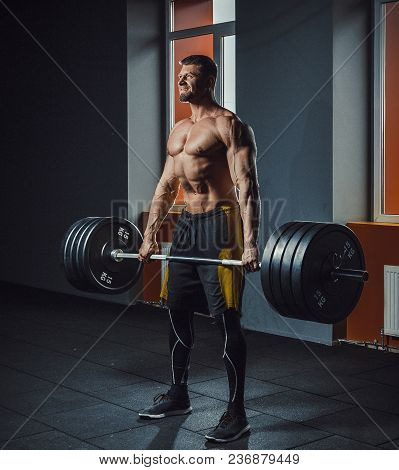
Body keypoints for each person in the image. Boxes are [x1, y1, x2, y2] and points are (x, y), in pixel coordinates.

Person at [137, 55, 260, 443]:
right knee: (175, 307)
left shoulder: (229, 125)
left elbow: (247, 186)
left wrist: (252, 241)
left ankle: (236, 412)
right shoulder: (179, 131)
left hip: (222, 225)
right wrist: (150, 233)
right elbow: (165, 186)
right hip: (187, 225)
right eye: (180, 75)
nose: (183, 80)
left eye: (191, 75)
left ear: (209, 80)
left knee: (227, 317)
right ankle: (178, 393)